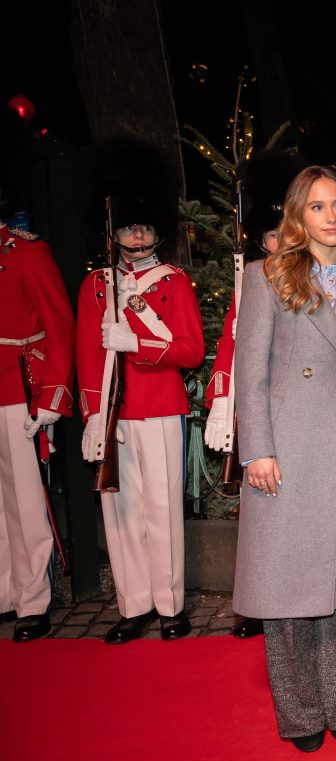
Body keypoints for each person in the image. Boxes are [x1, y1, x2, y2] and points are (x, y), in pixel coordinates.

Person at [233, 166, 336, 752]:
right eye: (318, 207)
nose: (331, 217)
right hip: (289, 448)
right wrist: (257, 449)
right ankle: (301, 713)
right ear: (297, 216)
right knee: (288, 589)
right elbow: (248, 372)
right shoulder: (267, 277)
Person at [76, 138, 203, 645]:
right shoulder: (95, 287)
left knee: (162, 508)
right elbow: (86, 353)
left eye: (146, 225)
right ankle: (134, 605)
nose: (138, 233)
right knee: (121, 510)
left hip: (160, 407)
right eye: (130, 225)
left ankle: (171, 605)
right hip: (113, 412)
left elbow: (191, 351)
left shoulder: (173, 282)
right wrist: (91, 414)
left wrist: (140, 342)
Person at [204, 150, 306, 640]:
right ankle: (260, 604)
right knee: (260, 517)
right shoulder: (253, 282)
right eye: (267, 238)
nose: (273, 246)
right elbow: (231, 343)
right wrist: (225, 399)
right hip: (257, 408)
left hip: (295, 406)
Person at [0, 210, 75, 642]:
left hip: (18, 385)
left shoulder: (26, 253)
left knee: (26, 502)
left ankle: (32, 599)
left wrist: (53, 393)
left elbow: (58, 324)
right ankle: (6, 591)